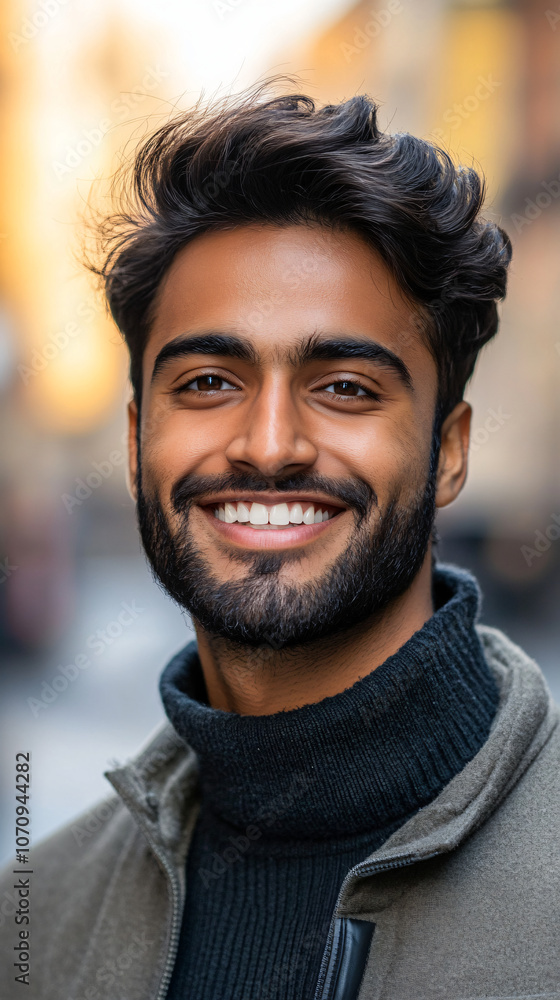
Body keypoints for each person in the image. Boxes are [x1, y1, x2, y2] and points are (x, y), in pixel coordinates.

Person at [2, 81, 559, 1000]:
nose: (267, 445)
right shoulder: (35, 923)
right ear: (140, 439)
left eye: (344, 387)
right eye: (210, 381)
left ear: (449, 450)